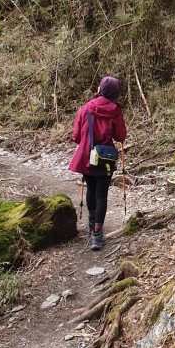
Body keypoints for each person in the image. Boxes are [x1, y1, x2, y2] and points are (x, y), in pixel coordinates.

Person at [69, 76, 127, 250]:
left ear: (101, 88)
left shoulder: (86, 108)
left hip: (87, 156)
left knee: (91, 190)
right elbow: (120, 136)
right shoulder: (115, 110)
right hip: (105, 159)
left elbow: (76, 137)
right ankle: (97, 234)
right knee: (101, 194)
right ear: (115, 92)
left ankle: (91, 223)